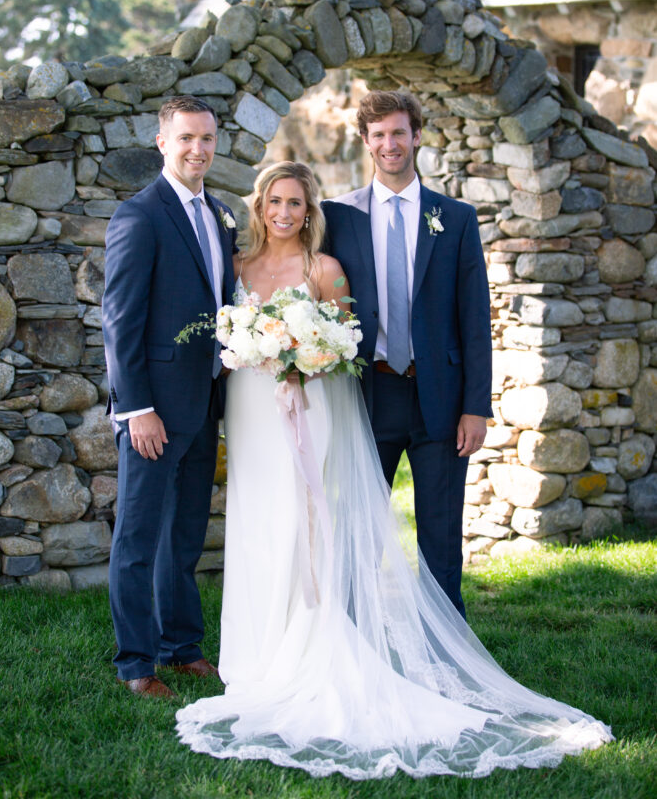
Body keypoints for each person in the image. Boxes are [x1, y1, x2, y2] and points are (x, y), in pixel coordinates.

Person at [175, 160, 611, 778]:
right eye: (275, 200)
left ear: (309, 211)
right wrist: (255, 347)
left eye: (296, 203)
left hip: (308, 406)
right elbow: (223, 339)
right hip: (250, 412)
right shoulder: (238, 270)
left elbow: (346, 338)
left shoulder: (323, 269)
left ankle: (314, 643)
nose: (284, 212)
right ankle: (252, 655)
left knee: (308, 519)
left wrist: (303, 352)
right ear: (259, 205)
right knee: (258, 520)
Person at [322, 89, 492, 618]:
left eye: (399, 133)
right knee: (358, 526)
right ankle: (352, 641)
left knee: (440, 531)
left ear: (417, 136)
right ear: (366, 142)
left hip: (439, 395)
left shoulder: (455, 218)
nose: (390, 144)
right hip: (369, 392)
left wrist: (476, 406)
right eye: (379, 136)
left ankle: (449, 653)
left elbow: (474, 318)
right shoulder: (338, 216)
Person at [102, 95, 237, 698]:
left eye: (207, 138)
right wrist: (136, 410)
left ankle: (182, 648)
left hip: (204, 402)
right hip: (152, 412)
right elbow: (120, 322)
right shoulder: (139, 215)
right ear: (162, 142)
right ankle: (136, 664)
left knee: (185, 536)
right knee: (137, 539)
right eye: (186, 138)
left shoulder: (221, 214)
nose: (198, 150)